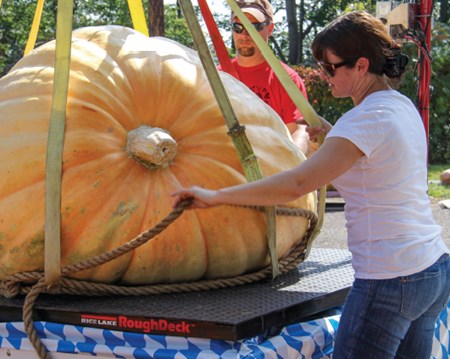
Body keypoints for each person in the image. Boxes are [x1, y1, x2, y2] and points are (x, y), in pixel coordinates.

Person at [173, 10, 450, 359]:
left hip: (391, 278)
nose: (323, 75)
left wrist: (215, 196)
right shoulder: (399, 106)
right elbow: (377, 167)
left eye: (331, 67)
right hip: (431, 268)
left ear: (361, 66)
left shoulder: (364, 119)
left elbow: (298, 183)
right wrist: (334, 134)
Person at [219, 0, 311, 155]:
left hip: (272, 170)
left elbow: (299, 130)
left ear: (270, 28)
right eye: (238, 27)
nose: (244, 35)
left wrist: (291, 168)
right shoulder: (216, 77)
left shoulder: (287, 79)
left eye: (253, 27)